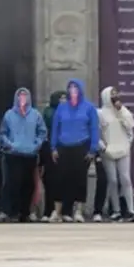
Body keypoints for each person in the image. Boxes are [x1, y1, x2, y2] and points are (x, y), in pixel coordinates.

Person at [49, 79, 100, 223]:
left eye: (75, 87)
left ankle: (78, 211)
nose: (73, 90)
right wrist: (53, 147)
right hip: (63, 146)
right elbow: (55, 127)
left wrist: (93, 148)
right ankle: (57, 211)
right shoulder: (61, 108)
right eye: (70, 88)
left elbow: (94, 129)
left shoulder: (89, 108)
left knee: (79, 179)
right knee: (60, 179)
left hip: (81, 145)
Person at [0, 87, 47, 223]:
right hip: (13, 154)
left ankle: (25, 212)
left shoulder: (36, 115)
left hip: (30, 154)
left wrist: (36, 145)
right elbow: (2, 132)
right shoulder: (9, 114)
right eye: (20, 96)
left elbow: (42, 132)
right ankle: (10, 212)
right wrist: (10, 144)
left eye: (25, 96)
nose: (23, 98)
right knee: (12, 184)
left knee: (28, 185)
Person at [98, 86, 134, 222]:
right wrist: (103, 147)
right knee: (113, 180)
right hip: (108, 150)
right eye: (112, 94)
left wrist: (120, 111)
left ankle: (131, 209)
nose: (115, 96)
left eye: (116, 94)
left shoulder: (124, 110)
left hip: (123, 149)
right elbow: (96, 132)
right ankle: (116, 210)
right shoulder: (100, 113)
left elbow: (130, 127)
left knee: (125, 179)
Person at [38, 90, 65, 218]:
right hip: (49, 148)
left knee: (63, 182)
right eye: (61, 98)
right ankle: (48, 211)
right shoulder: (49, 112)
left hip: (65, 148)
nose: (64, 101)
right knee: (49, 181)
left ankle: (62, 211)